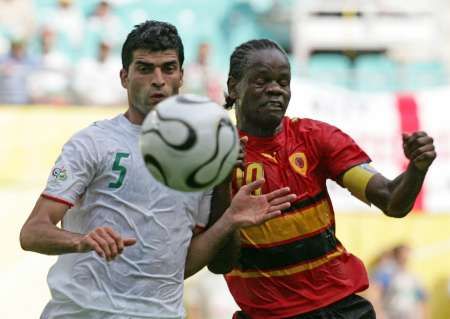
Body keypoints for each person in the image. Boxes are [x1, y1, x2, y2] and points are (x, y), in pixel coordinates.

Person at [19, 22, 295, 319]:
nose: (158, 80)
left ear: (182, 76)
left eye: (168, 68)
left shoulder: (205, 156)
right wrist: (80, 240)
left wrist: (228, 220)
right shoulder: (92, 143)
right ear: (124, 77)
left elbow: (179, 266)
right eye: (145, 68)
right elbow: (33, 232)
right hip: (83, 313)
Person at [209, 39, 436, 319]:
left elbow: (392, 202)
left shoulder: (316, 138)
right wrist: (221, 180)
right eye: (261, 80)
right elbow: (220, 263)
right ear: (234, 87)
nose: (275, 89)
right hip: (266, 315)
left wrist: (417, 168)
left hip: (338, 310)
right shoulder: (212, 159)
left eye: (283, 81)